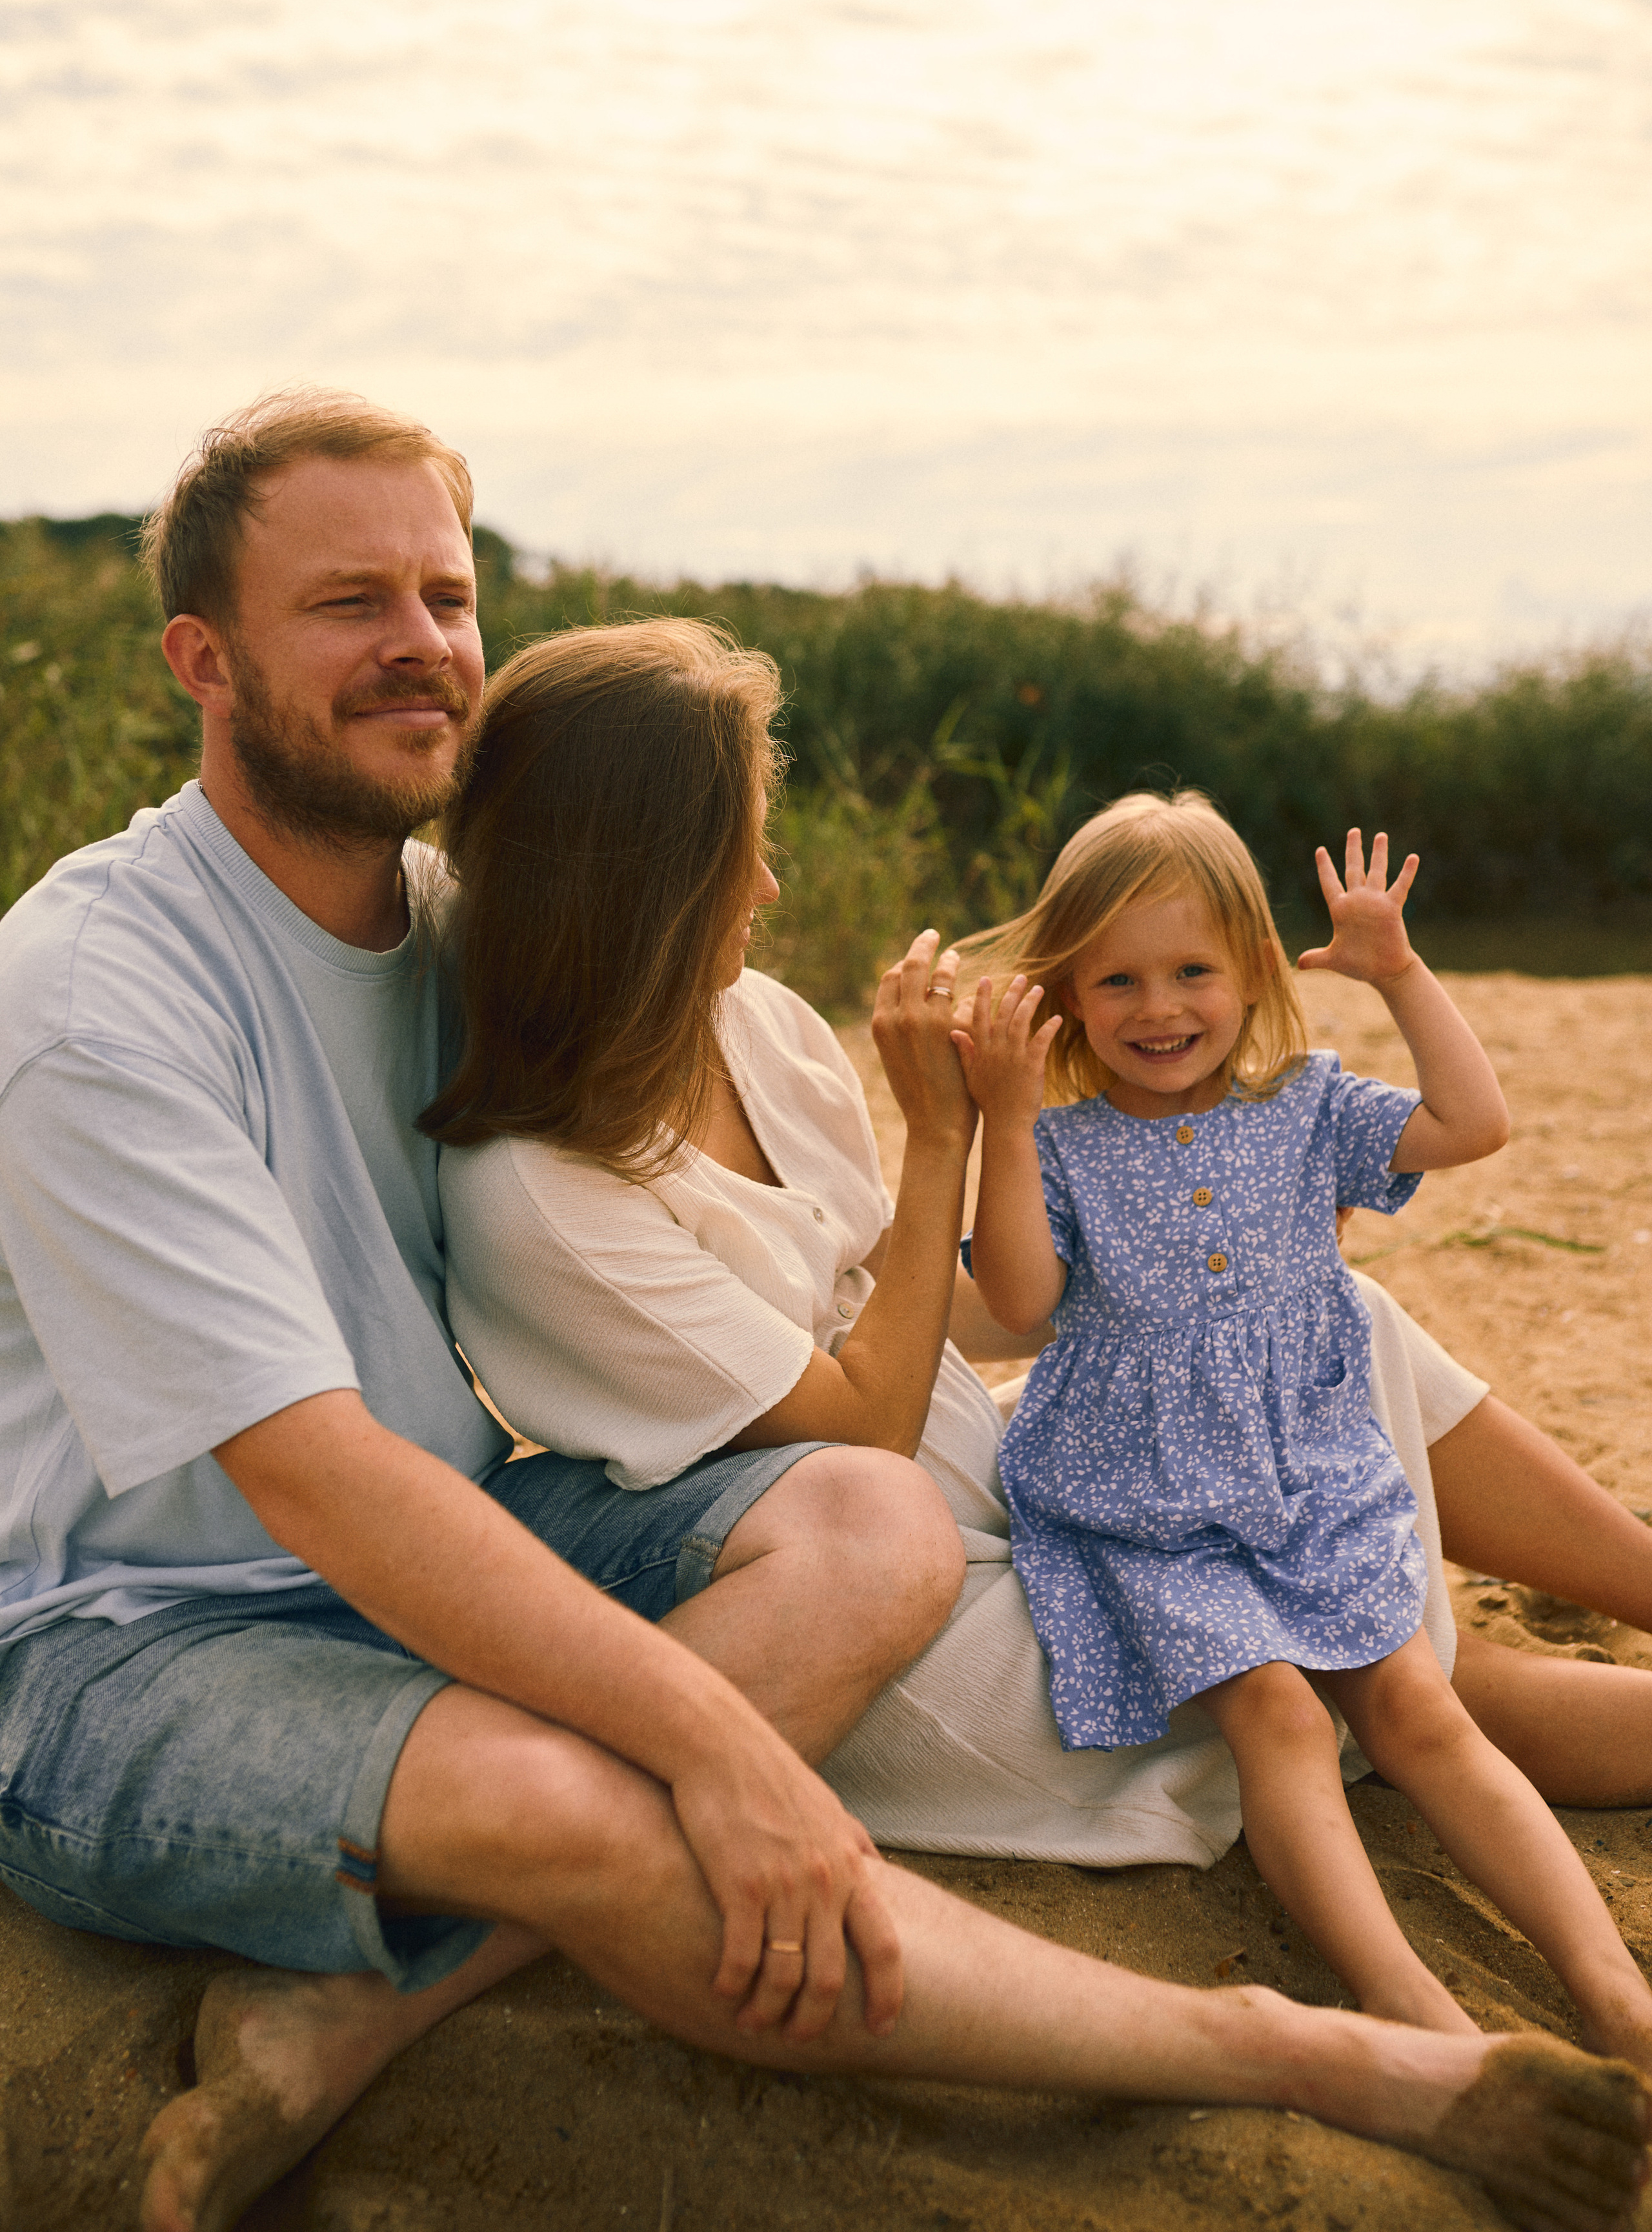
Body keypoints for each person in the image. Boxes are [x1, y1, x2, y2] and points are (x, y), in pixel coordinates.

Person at [0, 394, 1642, 2232]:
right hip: (146, 1631)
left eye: (447, 597)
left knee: (1237, 1401)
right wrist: (716, 1748)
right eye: (347, 604)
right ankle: (1317, 2054)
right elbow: (312, 1479)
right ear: (200, 656)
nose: (420, 645)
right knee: (1273, 1683)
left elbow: (663, 949)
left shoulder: (462, 925)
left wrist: (1029, 1108)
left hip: (512, 1523)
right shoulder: (96, 1001)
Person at [954, 789, 1652, 2056]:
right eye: (1114, 982)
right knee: (1276, 1716)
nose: (1157, 1008)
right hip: (1146, 1502)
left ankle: (1609, 1989)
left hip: (1309, 1476)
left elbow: (1472, 1124)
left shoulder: (1308, 1109)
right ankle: (1412, 2008)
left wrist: (1396, 973)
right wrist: (999, 1116)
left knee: (1420, 1709)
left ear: (1253, 971)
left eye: (1189, 972)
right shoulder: (1055, 1148)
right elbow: (1012, 1299)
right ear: (1060, 997)